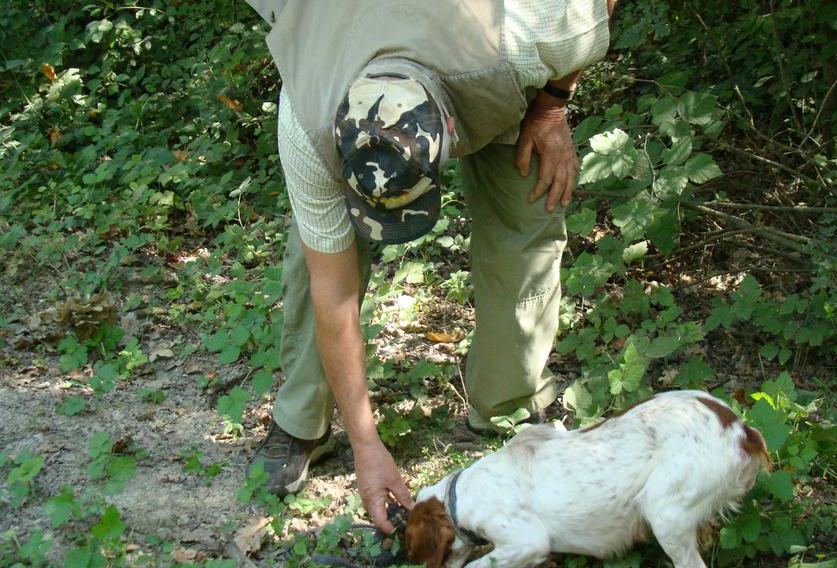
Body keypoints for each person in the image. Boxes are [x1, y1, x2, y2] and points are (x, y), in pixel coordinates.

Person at [243, 0, 616, 534]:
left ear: (449, 126)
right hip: (343, 58)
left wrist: (551, 106)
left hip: (483, 59)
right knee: (316, 258)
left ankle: (509, 407)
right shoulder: (309, 117)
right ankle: (304, 423)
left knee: (525, 219)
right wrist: (367, 446)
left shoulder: (533, 29)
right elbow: (335, 297)